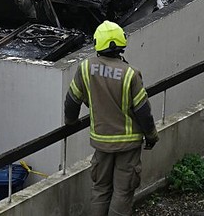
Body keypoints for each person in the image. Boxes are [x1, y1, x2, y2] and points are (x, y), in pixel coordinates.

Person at [64, 20, 160, 216]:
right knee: (123, 191)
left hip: (101, 141)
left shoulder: (85, 68)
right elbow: (143, 112)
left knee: (100, 189)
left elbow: (72, 101)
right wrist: (151, 136)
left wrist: (71, 122)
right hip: (128, 144)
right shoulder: (130, 74)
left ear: (97, 43)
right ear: (121, 43)